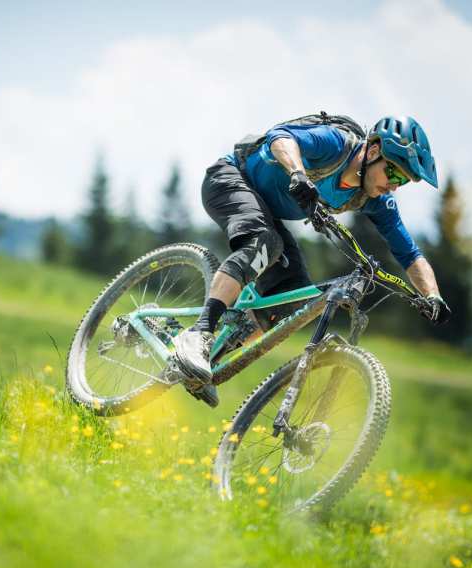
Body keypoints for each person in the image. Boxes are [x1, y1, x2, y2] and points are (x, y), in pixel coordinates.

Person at [173, 114, 451, 384]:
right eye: (393, 172)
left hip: (266, 213)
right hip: (231, 178)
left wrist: (432, 296)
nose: (393, 185)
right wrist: (297, 173)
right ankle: (199, 334)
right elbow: (280, 138)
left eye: (402, 180)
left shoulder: (375, 200)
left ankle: (205, 361)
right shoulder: (336, 144)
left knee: (292, 298)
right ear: (373, 150)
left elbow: (410, 254)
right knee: (265, 243)